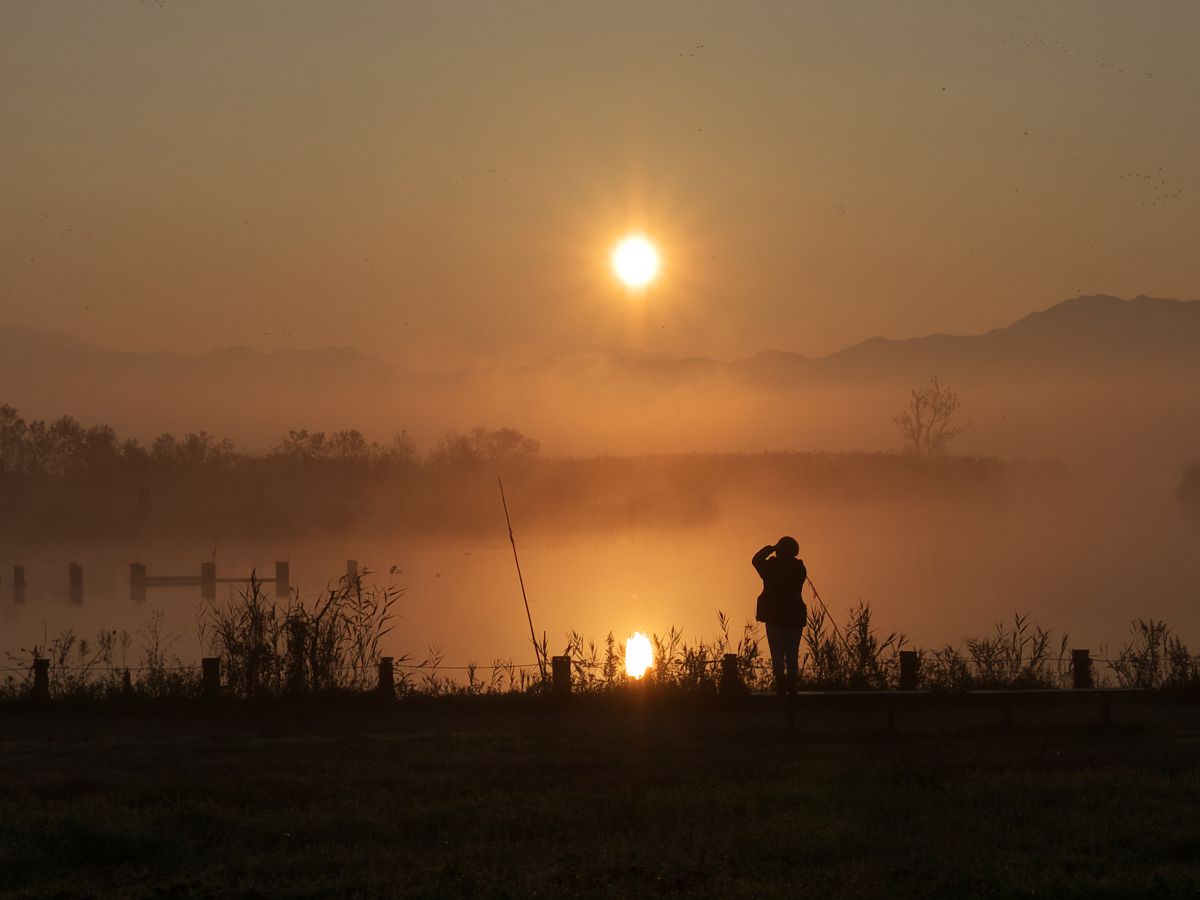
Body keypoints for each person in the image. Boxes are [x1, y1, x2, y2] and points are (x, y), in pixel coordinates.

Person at [752, 536, 807, 697]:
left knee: (777, 652)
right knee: (791, 651)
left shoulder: (771, 568)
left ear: (780, 550)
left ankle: (781, 686)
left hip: (774, 617)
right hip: (794, 617)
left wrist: (771, 548)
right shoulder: (799, 568)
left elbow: (756, 559)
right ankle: (792, 685)